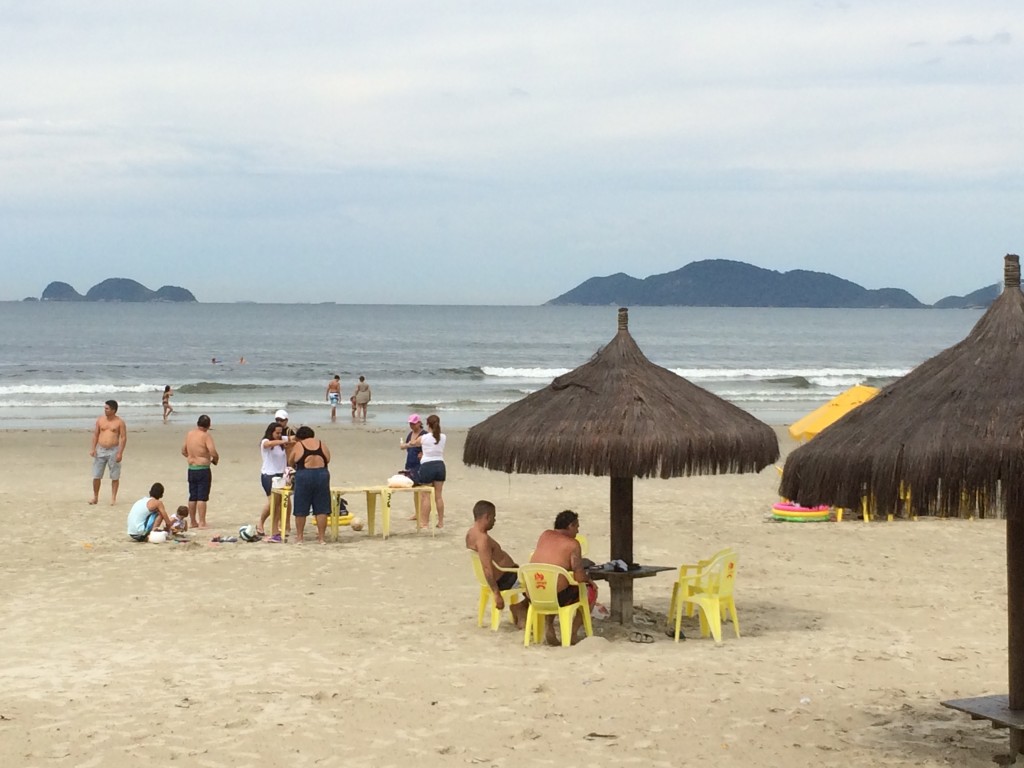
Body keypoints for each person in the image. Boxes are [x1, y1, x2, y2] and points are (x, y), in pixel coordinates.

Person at [530, 510, 594, 646]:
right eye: (577, 527)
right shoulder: (573, 544)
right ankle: (573, 633)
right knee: (590, 591)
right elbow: (579, 576)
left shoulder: (545, 535)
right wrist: (588, 579)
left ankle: (549, 625)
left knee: (552, 583)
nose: (577, 531)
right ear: (570, 526)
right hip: (557, 596)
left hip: (535, 592)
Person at [465, 500, 529, 628]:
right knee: (538, 582)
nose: (495, 521)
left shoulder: (471, 533)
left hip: (503, 575)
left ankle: (521, 607)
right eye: (494, 517)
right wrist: (496, 594)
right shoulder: (482, 540)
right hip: (505, 579)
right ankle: (521, 608)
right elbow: (487, 568)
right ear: (487, 517)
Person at [288, 425, 331, 544]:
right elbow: (328, 459)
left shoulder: (299, 445)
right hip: (322, 475)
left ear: (299, 438)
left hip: (304, 475)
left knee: (301, 507)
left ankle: (300, 537)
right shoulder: (322, 444)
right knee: (321, 508)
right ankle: (321, 538)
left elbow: (291, 461)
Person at [181, 414, 219, 529]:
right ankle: (202, 522)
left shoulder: (190, 434)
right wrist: (215, 459)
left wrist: (192, 456)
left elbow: (183, 450)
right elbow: (212, 451)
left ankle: (193, 522)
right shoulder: (205, 436)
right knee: (202, 497)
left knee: (192, 496)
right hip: (202, 469)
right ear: (208, 425)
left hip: (191, 468)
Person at [89, 399, 127, 505]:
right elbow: (96, 434)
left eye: (107, 408)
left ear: (113, 410)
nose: (105, 410)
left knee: (114, 476)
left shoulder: (119, 422)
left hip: (113, 450)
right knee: (96, 475)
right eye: (104, 408)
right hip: (100, 449)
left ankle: (113, 498)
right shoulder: (100, 420)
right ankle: (95, 497)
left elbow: (123, 438)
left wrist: (120, 452)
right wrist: (93, 448)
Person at [257, 421, 290, 537]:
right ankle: (261, 523)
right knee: (273, 503)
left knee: (280, 503)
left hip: (281, 475)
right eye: (277, 433)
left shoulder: (282, 440)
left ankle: (278, 527)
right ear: (271, 432)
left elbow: (292, 437)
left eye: (281, 433)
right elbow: (268, 444)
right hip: (269, 475)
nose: (279, 435)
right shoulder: (266, 441)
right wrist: (283, 441)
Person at [416, 414, 446, 528]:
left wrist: (405, 445)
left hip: (427, 465)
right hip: (440, 465)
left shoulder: (424, 437)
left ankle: (425, 522)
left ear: (428, 424)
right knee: (438, 496)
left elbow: (413, 443)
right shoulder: (443, 437)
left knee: (426, 495)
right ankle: (441, 522)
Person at [398, 413, 425, 484]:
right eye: (410, 424)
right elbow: (408, 448)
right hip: (410, 463)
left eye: (413, 424)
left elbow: (429, 448)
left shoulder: (424, 434)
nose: (412, 426)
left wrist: (423, 453)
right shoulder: (410, 434)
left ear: (419, 423)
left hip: (420, 464)